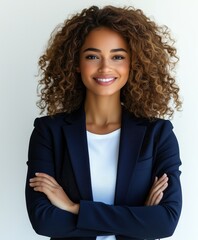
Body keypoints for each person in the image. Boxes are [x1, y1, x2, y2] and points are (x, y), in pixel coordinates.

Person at [25, 5, 182, 240]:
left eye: (117, 56)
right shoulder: (49, 132)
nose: (105, 67)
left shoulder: (158, 133)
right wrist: (139, 218)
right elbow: (45, 221)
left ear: (133, 63)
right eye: (92, 56)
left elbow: (165, 223)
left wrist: (73, 208)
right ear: (76, 63)